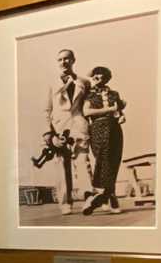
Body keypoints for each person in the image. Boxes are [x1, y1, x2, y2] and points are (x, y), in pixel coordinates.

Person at [36, 49, 84, 214]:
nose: (63, 62)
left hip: (78, 125)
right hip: (59, 128)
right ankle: (65, 203)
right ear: (57, 62)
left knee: (83, 161)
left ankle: (90, 199)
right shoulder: (51, 83)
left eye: (67, 59)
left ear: (73, 60)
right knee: (62, 164)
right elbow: (45, 110)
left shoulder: (83, 82)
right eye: (60, 59)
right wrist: (49, 135)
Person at [81, 66, 126, 215]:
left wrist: (121, 116)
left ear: (107, 78)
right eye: (95, 77)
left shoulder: (114, 94)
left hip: (114, 128)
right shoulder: (89, 94)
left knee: (114, 160)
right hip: (98, 128)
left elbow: (119, 111)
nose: (97, 79)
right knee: (103, 159)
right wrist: (108, 110)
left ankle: (103, 197)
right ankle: (105, 196)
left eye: (101, 77)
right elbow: (86, 111)